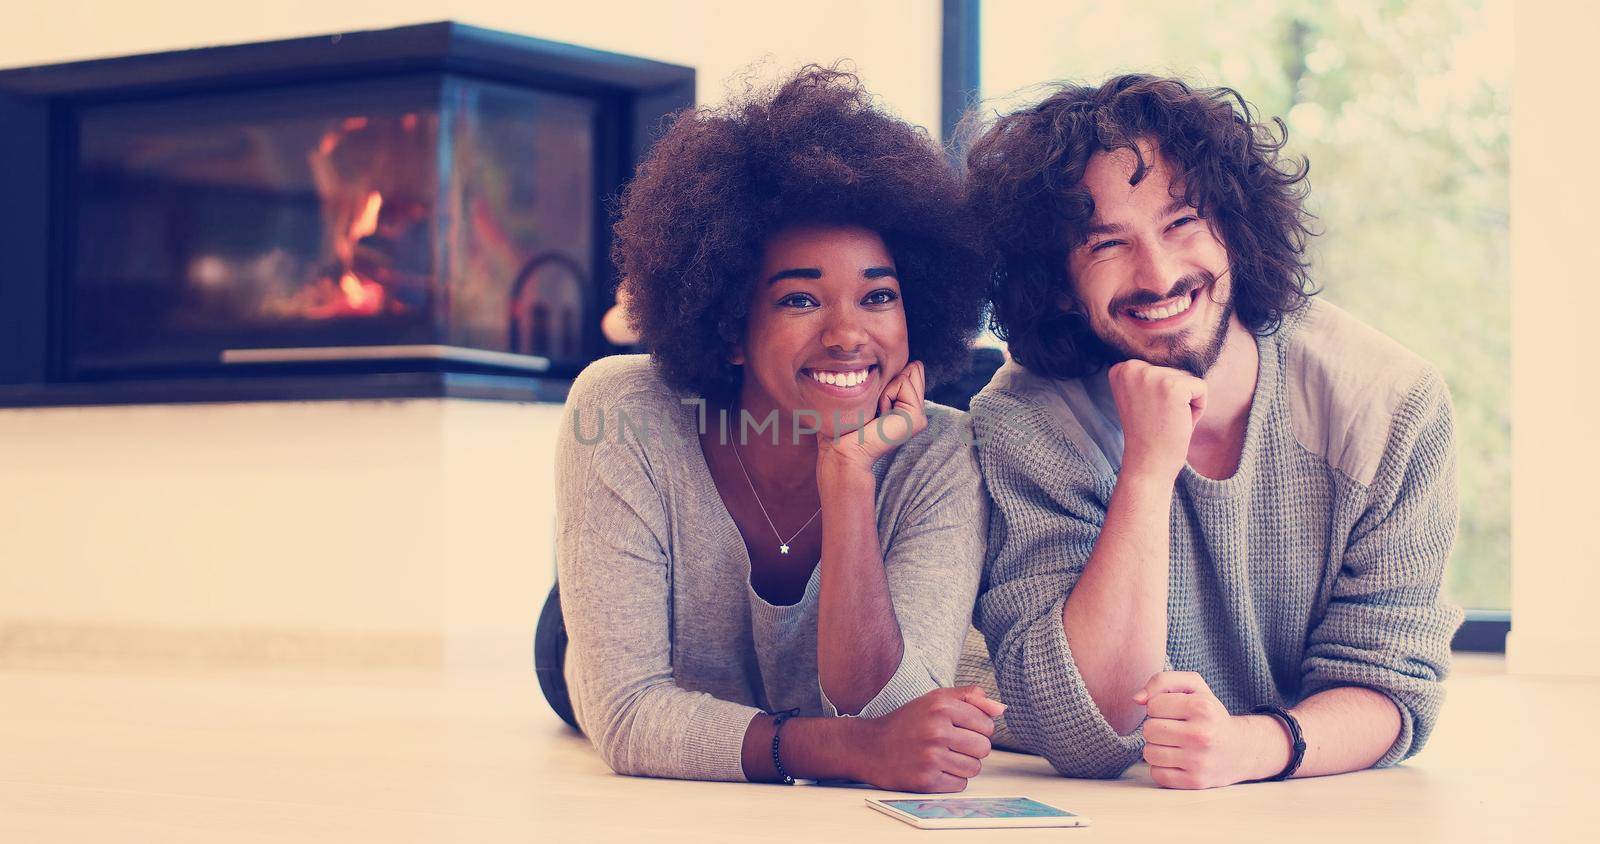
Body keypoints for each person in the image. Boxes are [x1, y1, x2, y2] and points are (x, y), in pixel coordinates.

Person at [962, 74, 1463, 789]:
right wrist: (1145, 468)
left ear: (1235, 224)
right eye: (1106, 244)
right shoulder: (1025, 419)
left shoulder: (1389, 404)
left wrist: (1252, 747)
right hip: (1037, 766)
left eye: (1181, 223)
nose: (1158, 274)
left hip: (1269, 771)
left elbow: (1393, 685)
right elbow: (1088, 730)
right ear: (1060, 282)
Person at [541, 66, 1003, 792]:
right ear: (730, 326)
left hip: (782, 682)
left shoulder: (943, 451)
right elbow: (630, 715)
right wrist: (847, 749)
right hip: (631, 630)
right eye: (799, 299)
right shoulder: (621, 414)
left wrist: (849, 475)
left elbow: (895, 718)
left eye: (878, 294)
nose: (849, 334)